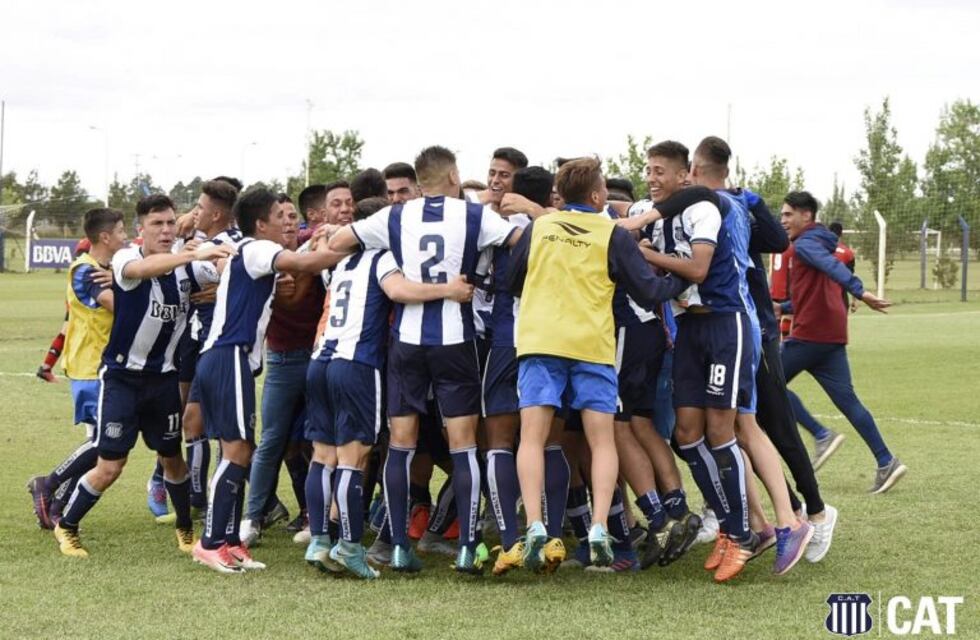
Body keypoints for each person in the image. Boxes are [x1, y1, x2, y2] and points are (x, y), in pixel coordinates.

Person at [328, 145, 522, 574]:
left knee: (401, 443)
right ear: (453, 175)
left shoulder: (395, 216)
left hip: (407, 341)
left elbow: (339, 240)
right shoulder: (473, 214)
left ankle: (398, 546)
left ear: (419, 182)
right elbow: (520, 242)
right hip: (455, 338)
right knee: (464, 444)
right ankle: (469, 547)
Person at [508, 157, 688, 571]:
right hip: (591, 344)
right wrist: (684, 276)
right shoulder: (612, 234)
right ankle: (600, 525)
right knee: (602, 440)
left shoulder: (540, 227)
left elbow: (510, 280)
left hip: (540, 340)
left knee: (533, 438)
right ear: (594, 195)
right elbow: (648, 291)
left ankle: (534, 523)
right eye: (604, 188)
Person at [52, 195, 233, 558]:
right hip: (122, 378)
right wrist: (191, 254)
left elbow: (225, 268)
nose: (165, 230)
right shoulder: (125, 258)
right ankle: (67, 526)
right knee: (110, 466)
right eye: (156, 224)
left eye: (170, 223)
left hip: (164, 380)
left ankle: (185, 529)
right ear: (141, 230)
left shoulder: (188, 268)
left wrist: (224, 263)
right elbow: (142, 271)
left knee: (172, 458)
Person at [190, 188, 347, 573]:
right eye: (280, 216)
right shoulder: (258, 248)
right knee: (236, 451)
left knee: (239, 449)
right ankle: (210, 542)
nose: (288, 223)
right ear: (261, 224)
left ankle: (229, 541)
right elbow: (306, 262)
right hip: (228, 356)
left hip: (229, 359)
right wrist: (351, 243)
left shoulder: (249, 252)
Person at [304, 230, 475, 579]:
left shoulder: (341, 263)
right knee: (354, 458)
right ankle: (349, 546)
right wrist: (448, 289)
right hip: (355, 364)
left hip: (319, 361)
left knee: (323, 457)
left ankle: (319, 540)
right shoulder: (381, 258)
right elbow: (398, 291)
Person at [638, 141, 761, 583]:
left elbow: (697, 270)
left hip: (725, 326)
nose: (651, 178)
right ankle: (728, 526)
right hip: (689, 328)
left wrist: (647, 255)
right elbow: (615, 212)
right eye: (647, 170)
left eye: (659, 171)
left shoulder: (703, 208)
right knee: (687, 435)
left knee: (721, 432)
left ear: (682, 175)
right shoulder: (652, 211)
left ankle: (743, 535)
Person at [777, 191, 906, 494]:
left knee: (766, 386)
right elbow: (811, 292)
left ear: (806, 215)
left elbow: (832, 268)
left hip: (809, 336)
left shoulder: (806, 244)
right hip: (831, 336)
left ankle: (821, 434)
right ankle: (886, 460)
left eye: (788, 214)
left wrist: (860, 292)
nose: (783, 221)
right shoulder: (822, 241)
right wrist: (782, 308)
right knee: (848, 401)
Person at [240, 192, 328, 546]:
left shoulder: (312, 244)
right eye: (281, 216)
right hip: (282, 359)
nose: (288, 222)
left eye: (292, 215)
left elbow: (310, 264)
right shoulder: (261, 257)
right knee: (273, 441)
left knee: (317, 440)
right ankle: (253, 517)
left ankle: (316, 516)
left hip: (320, 355)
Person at [28, 210, 125, 529]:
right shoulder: (85, 270)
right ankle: (48, 484)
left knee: (103, 444)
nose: (125, 237)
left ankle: (57, 505)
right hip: (92, 367)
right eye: (121, 231)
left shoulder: (104, 270)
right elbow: (118, 306)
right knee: (105, 443)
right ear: (105, 237)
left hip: (103, 366)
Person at [178, 179, 242, 516]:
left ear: (216, 214)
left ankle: (215, 502)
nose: (195, 213)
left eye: (200, 208)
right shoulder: (205, 242)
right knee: (194, 420)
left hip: (219, 347)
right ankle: (200, 500)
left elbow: (231, 271)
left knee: (220, 429)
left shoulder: (225, 246)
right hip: (202, 342)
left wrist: (223, 287)